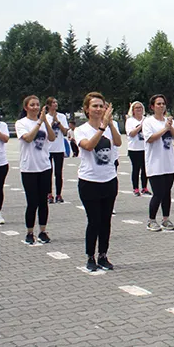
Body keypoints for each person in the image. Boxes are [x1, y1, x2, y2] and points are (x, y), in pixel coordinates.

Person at [74, 92, 122, 272]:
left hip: (109, 179)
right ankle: (90, 256)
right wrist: (101, 128)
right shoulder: (81, 130)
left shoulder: (109, 127)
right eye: (94, 106)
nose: (99, 109)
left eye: (101, 106)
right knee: (93, 220)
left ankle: (103, 254)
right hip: (89, 181)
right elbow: (88, 146)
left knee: (105, 220)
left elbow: (117, 142)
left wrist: (110, 124)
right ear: (87, 109)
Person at [15, 95, 56, 245]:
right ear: (26, 107)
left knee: (43, 201)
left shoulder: (44, 122)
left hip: (44, 166)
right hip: (29, 168)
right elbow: (28, 138)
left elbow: (52, 138)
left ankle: (43, 231)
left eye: (37, 105)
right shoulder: (21, 123)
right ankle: (29, 232)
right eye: (32, 105)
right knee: (32, 202)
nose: (35, 107)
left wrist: (45, 121)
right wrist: (39, 122)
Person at [143, 94, 174, 232]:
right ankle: (151, 220)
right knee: (158, 193)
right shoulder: (148, 122)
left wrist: (170, 127)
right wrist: (165, 129)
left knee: (167, 193)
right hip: (155, 163)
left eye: (163, 103)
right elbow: (150, 138)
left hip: (168, 163)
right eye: (158, 104)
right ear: (152, 106)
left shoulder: (168, 121)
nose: (161, 106)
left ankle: (166, 219)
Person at [45, 97, 69, 204]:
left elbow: (65, 132)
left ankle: (59, 194)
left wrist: (58, 122)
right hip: (48, 149)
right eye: (53, 102)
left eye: (56, 102)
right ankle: (49, 194)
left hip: (59, 148)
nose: (55, 104)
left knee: (58, 173)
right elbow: (45, 132)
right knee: (48, 173)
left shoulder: (62, 116)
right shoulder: (45, 117)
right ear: (49, 105)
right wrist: (51, 122)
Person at [125, 101, 150, 196]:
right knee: (136, 169)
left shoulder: (146, 119)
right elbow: (131, 133)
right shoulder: (130, 121)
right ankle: (135, 188)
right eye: (136, 108)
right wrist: (141, 126)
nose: (139, 109)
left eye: (140, 107)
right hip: (134, 148)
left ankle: (144, 187)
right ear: (133, 110)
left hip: (145, 148)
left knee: (145, 169)